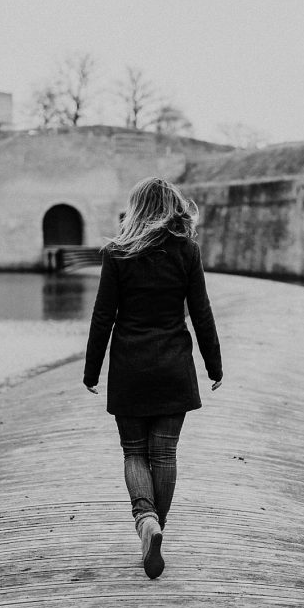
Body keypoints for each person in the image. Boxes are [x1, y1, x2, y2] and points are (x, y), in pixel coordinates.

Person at [83, 177, 222, 580]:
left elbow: (102, 316)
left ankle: (146, 521)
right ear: (173, 207)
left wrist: (92, 370)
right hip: (173, 367)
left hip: (129, 368)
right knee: (164, 455)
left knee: (133, 452)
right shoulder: (187, 250)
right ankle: (154, 527)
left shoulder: (116, 253)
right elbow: (201, 312)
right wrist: (214, 366)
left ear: (137, 207)